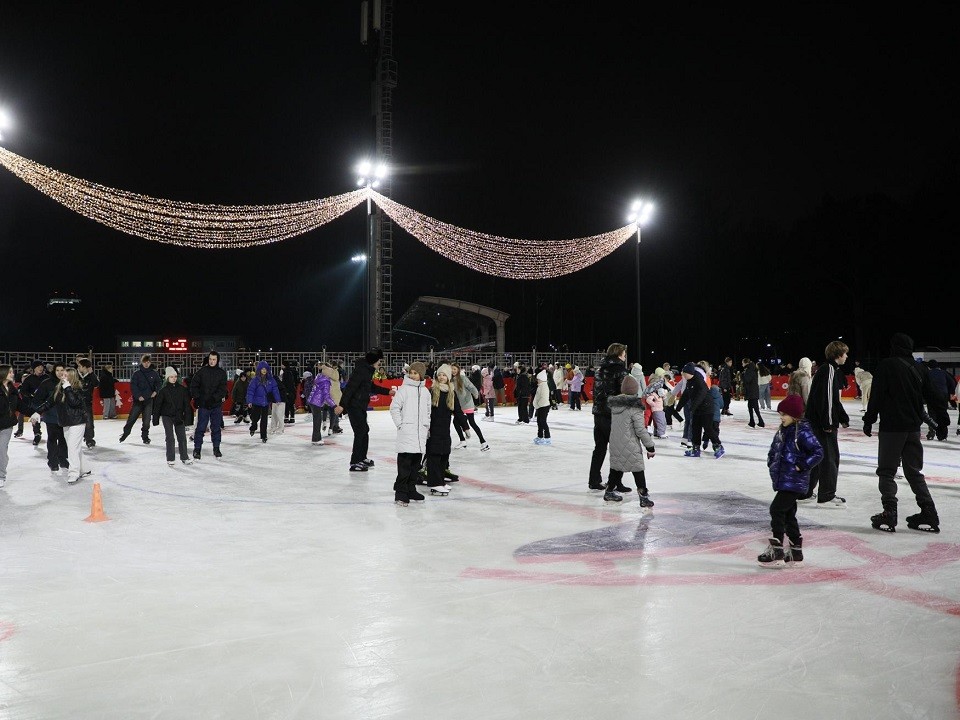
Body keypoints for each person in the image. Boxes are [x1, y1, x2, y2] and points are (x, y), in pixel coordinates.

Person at [862, 333, 941, 533]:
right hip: (913, 428)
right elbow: (932, 395)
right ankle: (929, 512)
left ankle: (889, 513)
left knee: (887, 471)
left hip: (892, 428)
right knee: (914, 472)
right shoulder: (920, 367)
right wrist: (942, 422)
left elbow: (877, 397)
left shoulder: (886, 365)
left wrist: (869, 420)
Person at [757, 394, 824, 567]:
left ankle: (777, 551)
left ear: (794, 415)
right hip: (783, 479)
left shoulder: (802, 431)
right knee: (788, 515)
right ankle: (795, 553)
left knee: (776, 510)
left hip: (794, 481)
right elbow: (774, 450)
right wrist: (771, 461)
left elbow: (818, 452)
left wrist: (802, 466)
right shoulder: (782, 430)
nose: (781, 418)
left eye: (784, 415)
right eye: (780, 414)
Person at [799, 340, 850, 507]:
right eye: (845, 353)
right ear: (837, 355)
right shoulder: (828, 370)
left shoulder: (828, 370)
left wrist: (842, 416)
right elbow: (827, 399)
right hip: (822, 424)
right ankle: (827, 495)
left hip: (817, 421)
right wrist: (828, 423)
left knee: (817, 457)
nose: (847, 356)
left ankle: (805, 492)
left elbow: (832, 399)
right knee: (829, 458)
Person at [334, 348, 396, 472]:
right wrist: (342, 405)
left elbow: (370, 386)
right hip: (354, 406)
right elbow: (350, 388)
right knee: (360, 431)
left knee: (364, 430)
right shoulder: (361, 371)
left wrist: (387, 391)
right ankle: (355, 462)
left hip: (360, 405)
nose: (380, 363)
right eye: (379, 361)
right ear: (374, 360)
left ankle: (362, 457)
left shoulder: (367, 370)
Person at [604, 373, 656, 503]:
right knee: (638, 469)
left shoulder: (615, 406)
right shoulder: (635, 408)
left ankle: (609, 491)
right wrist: (650, 447)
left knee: (616, 467)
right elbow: (640, 430)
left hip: (615, 442)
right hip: (630, 443)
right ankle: (644, 497)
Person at [31, 367, 89, 483]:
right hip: (66, 422)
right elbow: (49, 402)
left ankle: (74, 473)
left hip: (77, 422)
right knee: (75, 447)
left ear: (71, 377)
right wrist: (37, 412)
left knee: (72, 447)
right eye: (62, 375)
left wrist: (67, 388)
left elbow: (74, 403)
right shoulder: (59, 389)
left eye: (65, 375)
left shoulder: (77, 389)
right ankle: (84, 468)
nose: (62, 377)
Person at [587, 343, 629, 490]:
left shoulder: (599, 370)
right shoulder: (620, 370)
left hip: (598, 414)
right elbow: (625, 393)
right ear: (619, 354)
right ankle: (615, 482)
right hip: (613, 415)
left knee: (599, 448)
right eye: (624, 354)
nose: (625, 356)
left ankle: (594, 480)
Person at [389, 361, 431, 506]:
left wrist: (427, 426)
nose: (413, 375)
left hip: (420, 434)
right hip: (407, 433)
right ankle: (401, 494)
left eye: (416, 373)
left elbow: (428, 411)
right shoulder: (404, 389)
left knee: (415, 466)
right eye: (411, 372)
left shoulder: (425, 391)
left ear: (421, 375)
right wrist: (401, 425)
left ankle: (411, 489)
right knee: (404, 466)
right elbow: (394, 408)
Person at [424, 363, 459, 494]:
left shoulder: (451, 392)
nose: (442, 377)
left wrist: (465, 426)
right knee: (434, 455)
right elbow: (426, 411)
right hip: (433, 428)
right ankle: (434, 483)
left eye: (444, 375)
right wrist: (426, 427)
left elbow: (458, 410)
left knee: (445, 454)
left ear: (449, 377)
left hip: (445, 429)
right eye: (439, 374)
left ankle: (440, 481)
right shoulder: (432, 391)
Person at [152, 366, 195, 466]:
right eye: (171, 377)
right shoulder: (163, 391)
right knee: (170, 437)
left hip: (178, 416)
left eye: (175, 376)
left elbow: (187, 406)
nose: (174, 378)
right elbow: (158, 405)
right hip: (167, 416)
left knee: (182, 437)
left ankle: (184, 457)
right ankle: (170, 458)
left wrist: (188, 420)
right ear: (167, 378)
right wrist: (155, 419)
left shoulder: (182, 390)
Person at [677, 362, 720, 458]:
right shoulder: (690, 381)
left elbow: (701, 395)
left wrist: (693, 406)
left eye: (684, 373)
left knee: (708, 428)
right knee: (695, 428)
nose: (683, 375)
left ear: (689, 373)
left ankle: (718, 446)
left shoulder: (699, 381)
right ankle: (696, 448)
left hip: (706, 408)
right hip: (697, 408)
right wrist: (679, 406)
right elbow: (686, 395)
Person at [190, 350, 227, 460]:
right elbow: (194, 385)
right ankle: (197, 449)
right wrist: (197, 398)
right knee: (200, 428)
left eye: (214, 359)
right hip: (204, 405)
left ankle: (216, 448)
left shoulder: (221, 373)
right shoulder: (202, 371)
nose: (212, 361)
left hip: (215, 405)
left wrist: (214, 398)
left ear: (217, 360)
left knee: (216, 428)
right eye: (210, 359)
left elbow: (222, 389)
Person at [120, 354, 160, 444]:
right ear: (142, 362)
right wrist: (138, 396)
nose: (146, 364)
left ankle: (145, 437)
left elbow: (158, 383)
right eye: (145, 362)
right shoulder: (137, 374)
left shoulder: (154, 373)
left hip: (149, 400)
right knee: (132, 418)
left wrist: (156, 391)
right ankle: (125, 433)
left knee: (146, 421)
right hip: (138, 401)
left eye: (148, 362)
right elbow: (133, 386)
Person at [451, 363, 488, 451]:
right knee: (456, 422)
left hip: (467, 403)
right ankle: (463, 441)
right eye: (452, 369)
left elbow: (472, 387)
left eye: (455, 369)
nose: (453, 371)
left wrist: (475, 395)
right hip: (459, 406)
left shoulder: (463, 378)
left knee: (472, 423)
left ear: (458, 370)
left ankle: (483, 442)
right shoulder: (451, 380)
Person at [246, 360, 283, 443]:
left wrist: (277, 399)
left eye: (265, 369)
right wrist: (249, 401)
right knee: (255, 418)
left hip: (266, 402)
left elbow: (275, 390)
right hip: (256, 402)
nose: (264, 370)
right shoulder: (255, 380)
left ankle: (264, 436)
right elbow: (250, 391)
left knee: (264, 420)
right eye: (262, 369)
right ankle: (253, 427)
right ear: (259, 369)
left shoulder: (271, 380)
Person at [0, 364, 21, 488]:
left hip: (7, 425)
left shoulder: (13, 389)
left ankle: (1, 475)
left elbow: (20, 405)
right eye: (10, 372)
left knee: (2, 449)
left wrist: (33, 413)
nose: (13, 374)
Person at [924, 359, 954, 441]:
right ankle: (943, 435)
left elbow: (923, 385)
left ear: (929, 367)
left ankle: (932, 430)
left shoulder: (927, 373)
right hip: (943, 396)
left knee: (932, 414)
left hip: (931, 396)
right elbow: (952, 382)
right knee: (942, 413)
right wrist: (950, 392)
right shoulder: (944, 373)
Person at [18, 360, 46, 446]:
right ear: (34, 369)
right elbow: (23, 391)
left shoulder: (47, 378)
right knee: (35, 415)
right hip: (34, 402)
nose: (40, 368)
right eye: (38, 367)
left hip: (47, 401)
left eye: (41, 366)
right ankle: (37, 433)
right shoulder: (29, 379)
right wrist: (30, 395)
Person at [306, 364, 335, 445]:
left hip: (312, 400)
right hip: (316, 402)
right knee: (317, 421)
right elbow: (327, 396)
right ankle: (316, 439)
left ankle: (316, 438)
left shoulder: (319, 377)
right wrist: (334, 405)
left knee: (317, 420)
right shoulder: (326, 381)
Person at [75, 358, 98, 448]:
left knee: (89, 423)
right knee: (75, 424)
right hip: (75, 404)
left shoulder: (91, 376)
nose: (78, 367)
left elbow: (96, 384)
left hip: (87, 403)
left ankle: (89, 439)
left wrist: (92, 374)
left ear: (85, 367)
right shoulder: (76, 375)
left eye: (80, 366)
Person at [740, 358, 765, 428]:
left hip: (752, 391)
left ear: (746, 363)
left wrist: (742, 376)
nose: (742, 365)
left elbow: (747, 380)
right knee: (750, 406)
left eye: (742, 363)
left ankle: (760, 421)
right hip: (752, 391)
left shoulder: (749, 369)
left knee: (755, 407)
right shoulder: (751, 368)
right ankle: (752, 421)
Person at [532, 368, 553, 445]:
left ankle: (547, 437)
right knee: (539, 422)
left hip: (543, 406)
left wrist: (537, 405)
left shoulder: (544, 386)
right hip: (540, 406)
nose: (537, 380)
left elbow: (543, 398)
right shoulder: (540, 386)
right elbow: (537, 397)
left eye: (538, 379)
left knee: (543, 422)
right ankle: (540, 436)